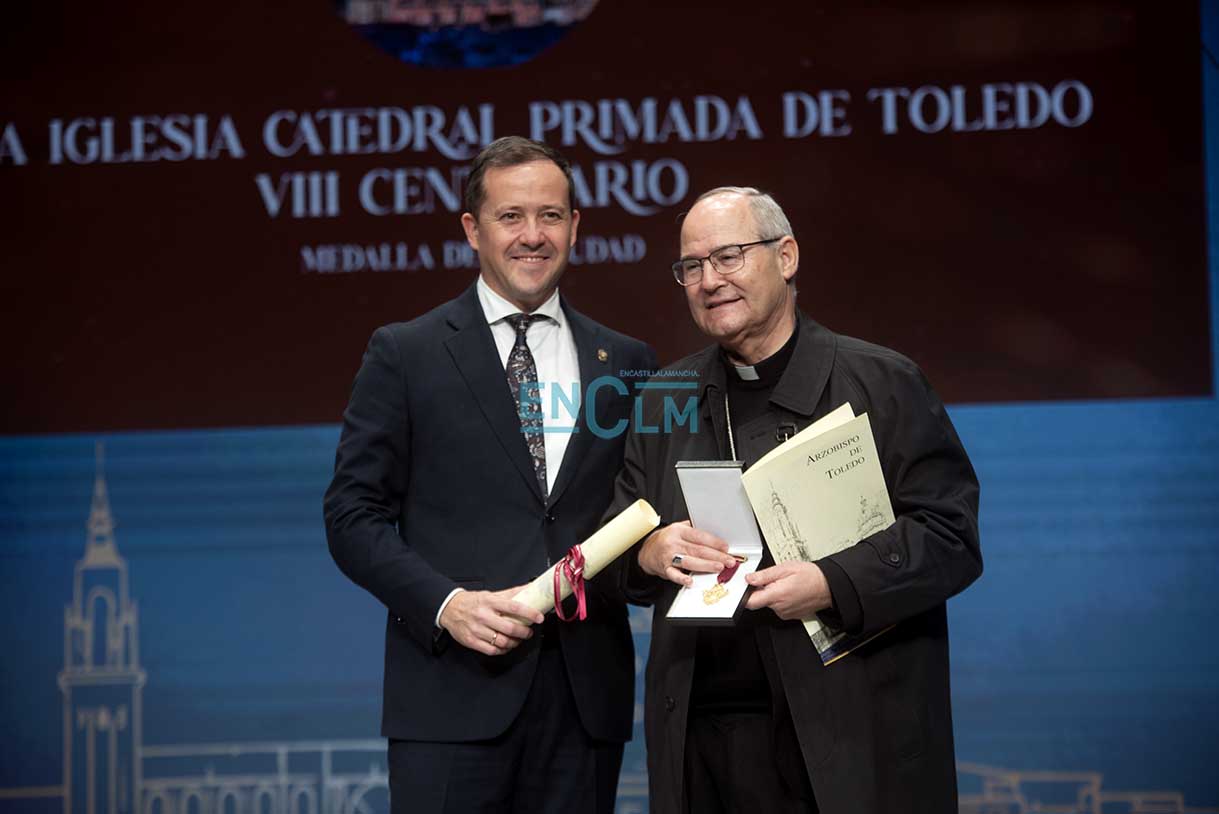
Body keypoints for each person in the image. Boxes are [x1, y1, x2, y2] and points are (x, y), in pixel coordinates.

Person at [607, 186, 982, 813]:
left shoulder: (883, 380)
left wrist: (833, 582)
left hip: (847, 734)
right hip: (704, 744)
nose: (709, 280)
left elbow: (951, 538)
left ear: (786, 256)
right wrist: (649, 550)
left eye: (728, 257)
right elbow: (611, 549)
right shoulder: (663, 398)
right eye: (691, 267)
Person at [324, 136, 656, 814]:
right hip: (449, 696)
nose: (532, 236)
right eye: (511, 217)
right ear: (472, 229)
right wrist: (447, 605)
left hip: (583, 703)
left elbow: (634, 517)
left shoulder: (625, 361)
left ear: (575, 227)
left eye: (551, 216)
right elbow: (352, 517)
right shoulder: (407, 353)